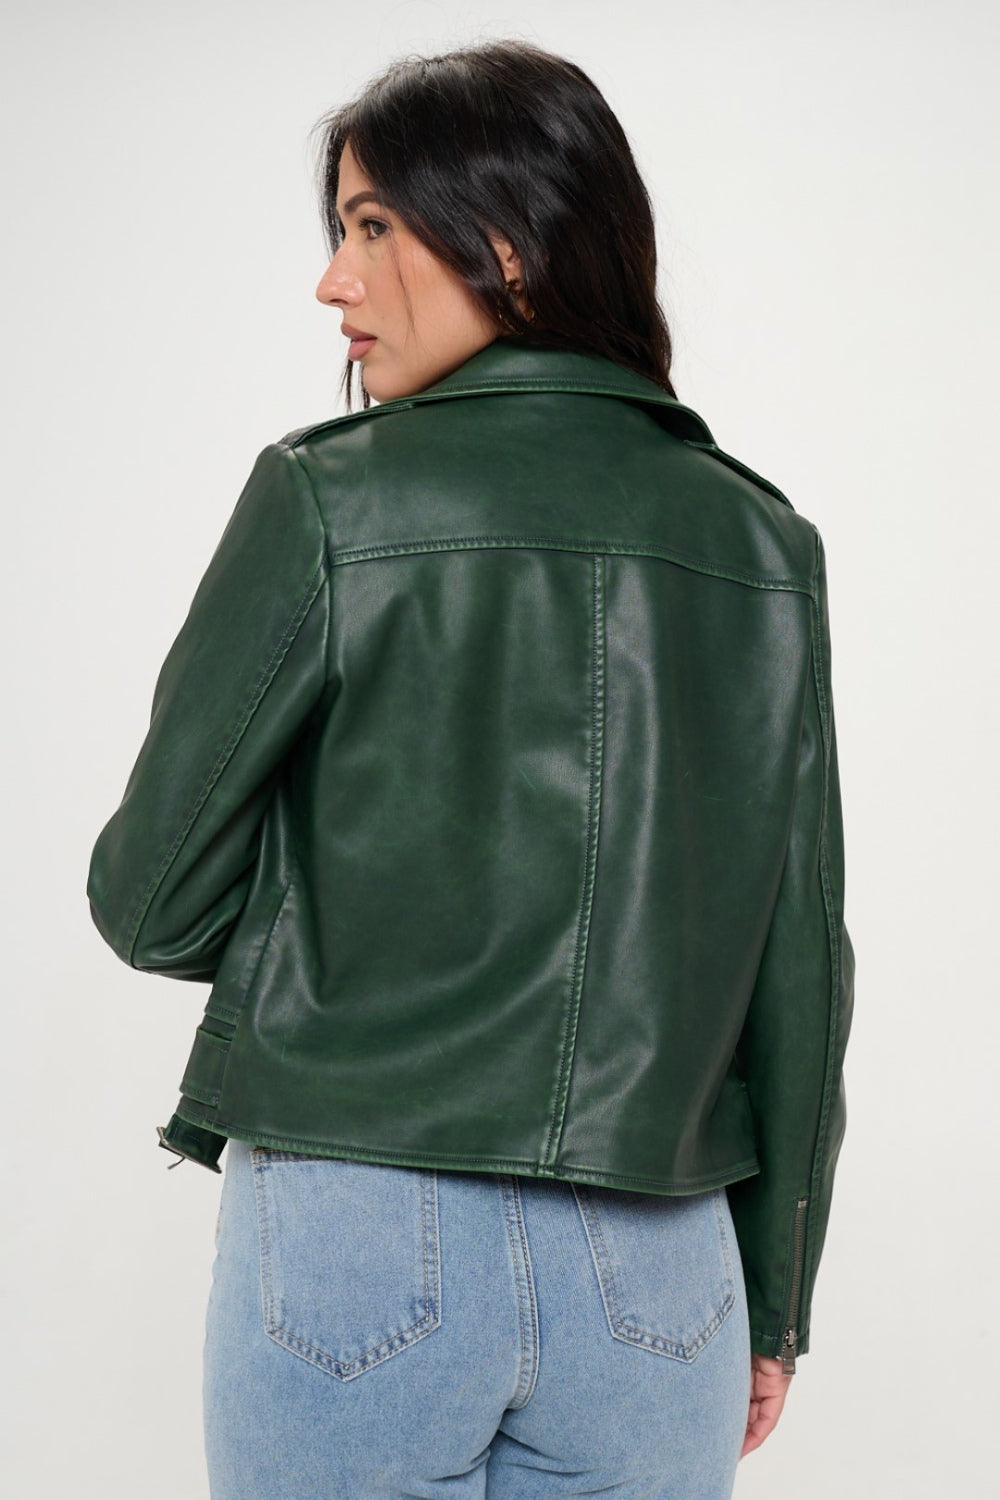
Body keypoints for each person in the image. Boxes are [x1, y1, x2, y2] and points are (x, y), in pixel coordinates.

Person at [87, 39, 854, 1500]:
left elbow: (149, 903)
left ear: (503, 239)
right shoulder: (764, 542)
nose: (334, 281)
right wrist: (778, 1298)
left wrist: (355, 911)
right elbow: (799, 961)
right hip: (662, 1260)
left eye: (372, 226)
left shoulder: (329, 499)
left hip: (360, 1232)